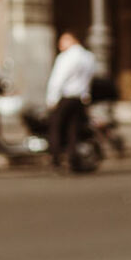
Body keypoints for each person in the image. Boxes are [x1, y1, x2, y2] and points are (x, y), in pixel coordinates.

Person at [44, 31, 96, 168]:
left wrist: (52, 99)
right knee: (73, 130)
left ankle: (55, 157)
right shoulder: (88, 57)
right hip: (79, 98)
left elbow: (57, 79)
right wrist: (86, 96)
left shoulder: (66, 57)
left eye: (63, 41)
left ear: (71, 40)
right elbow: (88, 79)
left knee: (56, 126)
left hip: (66, 97)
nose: (60, 44)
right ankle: (73, 159)